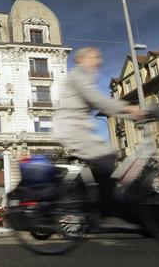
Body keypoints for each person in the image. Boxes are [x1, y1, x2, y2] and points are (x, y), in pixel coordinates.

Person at [53, 47, 143, 215]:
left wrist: (125, 112)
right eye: (95, 57)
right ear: (82, 59)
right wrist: (130, 109)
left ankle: (96, 202)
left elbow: (100, 103)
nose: (99, 61)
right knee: (106, 157)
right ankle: (106, 209)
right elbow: (96, 99)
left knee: (103, 159)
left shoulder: (83, 76)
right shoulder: (79, 75)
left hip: (75, 129)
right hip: (72, 129)